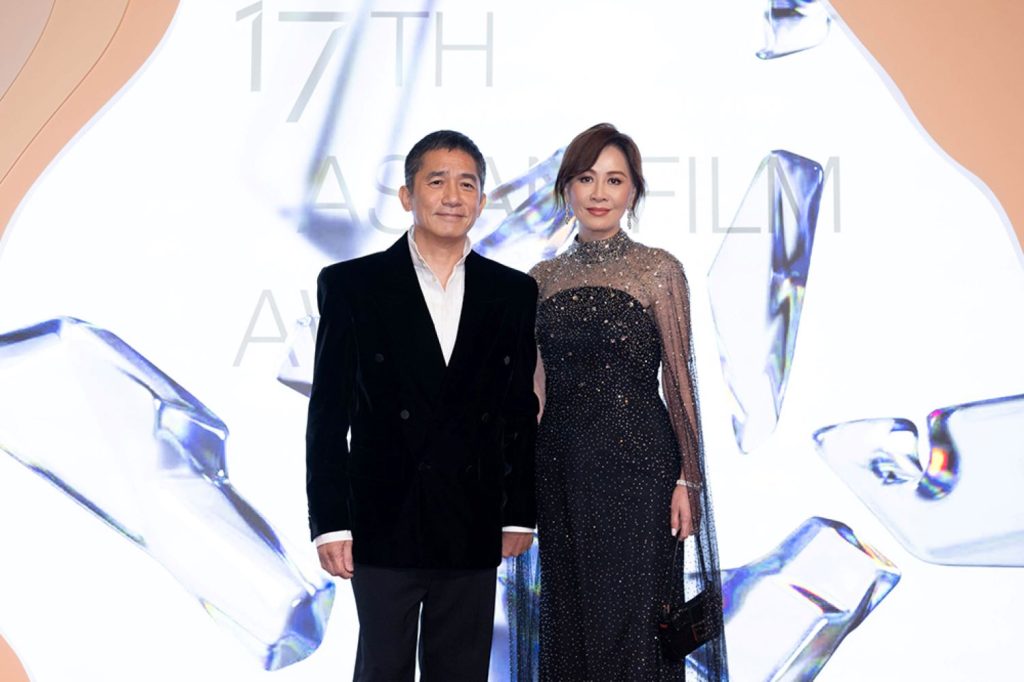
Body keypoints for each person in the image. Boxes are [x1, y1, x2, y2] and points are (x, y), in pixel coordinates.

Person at [305, 130, 538, 681]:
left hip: (472, 519)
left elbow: (518, 412)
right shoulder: (352, 285)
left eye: (467, 184)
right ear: (408, 195)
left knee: (461, 672)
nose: (452, 196)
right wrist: (330, 523)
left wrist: (519, 512)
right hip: (382, 520)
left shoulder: (511, 292)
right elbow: (328, 415)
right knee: (381, 670)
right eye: (437, 181)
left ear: (482, 200)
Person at [527, 123, 728, 681]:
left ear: (633, 191)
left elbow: (679, 382)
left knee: (637, 619)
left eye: (614, 180)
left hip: (640, 470)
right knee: (571, 614)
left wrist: (690, 479)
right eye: (586, 178)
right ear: (567, 187)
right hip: (560, 468)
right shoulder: (541, 279)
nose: (599, 193)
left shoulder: (658, 271)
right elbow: (535, 392)